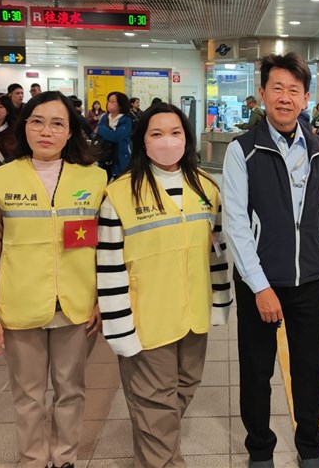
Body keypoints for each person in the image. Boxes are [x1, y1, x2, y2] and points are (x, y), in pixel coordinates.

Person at [0, 91, 106, 468]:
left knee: (71, 391)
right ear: (24, 126)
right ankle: (32, 459)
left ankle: (64, 458)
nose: (46, 131)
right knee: (28, 395)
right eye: (37, 121)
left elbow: (107, 247)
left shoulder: (95, 180)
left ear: (70, 133)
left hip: (77, 309)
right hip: (20, 308)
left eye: (57, 123)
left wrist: (101, 300)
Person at [96, 102, 232, 467]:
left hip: (192, 316)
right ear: (143, 142)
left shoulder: (206, 188)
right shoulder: (120, 195)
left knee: (183, 388)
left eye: (176, 133)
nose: (167, 141)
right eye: (157, 134)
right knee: (156, 404)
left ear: (188, 140)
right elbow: (108, 266)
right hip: (146, 320)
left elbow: (216, 250)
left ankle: (153, 449)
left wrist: (220, 303)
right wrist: (119, 328)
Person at [223, 52, 319, 468]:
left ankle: (310, 447)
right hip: (258, 283)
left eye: (294, 90)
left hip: (307, 281)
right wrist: (260, 285)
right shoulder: (243, 150)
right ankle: (260, 449)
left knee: (309, 369)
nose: (285, 98)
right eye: (277, 89)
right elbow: (235, 222)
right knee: (256, 371)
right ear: (262, 94)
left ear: (306, 98)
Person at [96, 92, 133, 180]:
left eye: (113, 102)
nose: (109, 104)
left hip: (120, 156)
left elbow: (116, 137)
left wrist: (102, 130)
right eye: (109, 101)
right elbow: (98, 133)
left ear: (120, 105)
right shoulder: (105, 117)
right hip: (104, 155)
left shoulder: (126, 120)